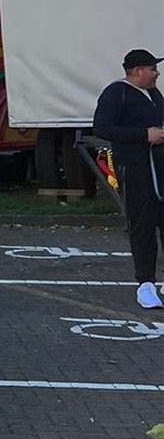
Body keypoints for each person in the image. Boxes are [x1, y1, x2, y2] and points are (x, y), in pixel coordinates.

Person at [91, 49, 164, 309]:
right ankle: (145, 283)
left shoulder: (154, 94)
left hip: (160, 167)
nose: (157, 73)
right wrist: (144, 135)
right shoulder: (116, 93)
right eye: (152, 68)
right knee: (142, 225)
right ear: (136, 71)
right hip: (135, 170)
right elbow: (102, 127)